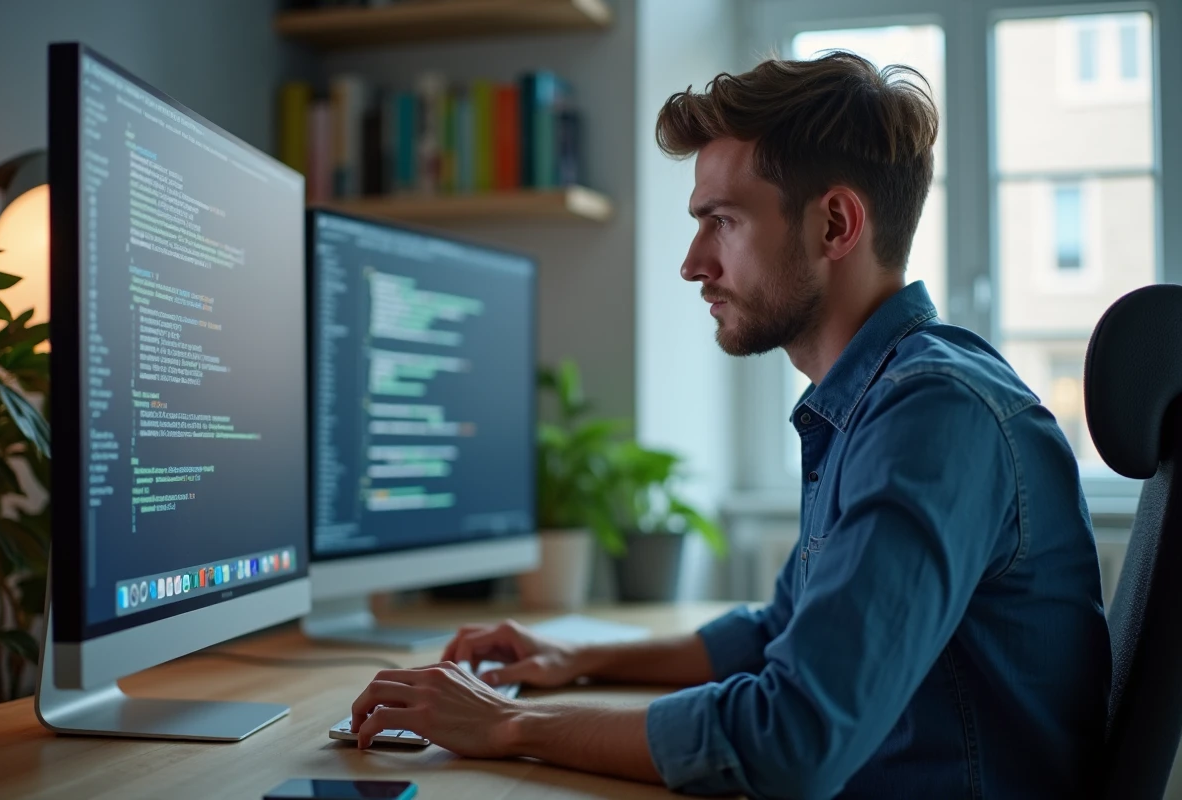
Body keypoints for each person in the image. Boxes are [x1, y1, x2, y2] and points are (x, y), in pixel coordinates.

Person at [349, 52, 1111, 799]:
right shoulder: (871, 401)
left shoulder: (934, 416)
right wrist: (572, 657)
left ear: (836, 224)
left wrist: (513, 726)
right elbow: (778, 629)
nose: (691, 262)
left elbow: (794, 740)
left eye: (722, 221)